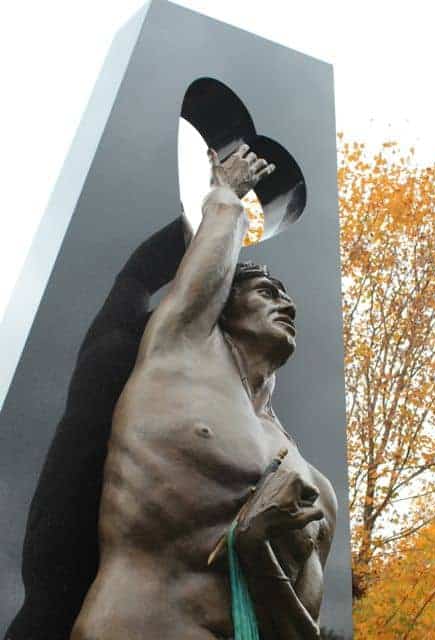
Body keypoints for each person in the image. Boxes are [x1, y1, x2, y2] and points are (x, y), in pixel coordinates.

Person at [70, 144, 337, 640]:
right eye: (267, 293)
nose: (287, 305)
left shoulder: (313, 484)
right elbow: (158, 287)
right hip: (141, 624)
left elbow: (302, 630)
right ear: (224, 309)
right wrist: (226, 198)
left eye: (288, 299)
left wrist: (257, 547)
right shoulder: (181, 357)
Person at [5, 215, 187, 640]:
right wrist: (220, 206)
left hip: (62, 550)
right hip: (76, 550)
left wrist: (215, 205)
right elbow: (141, 277)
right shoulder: (118, 348)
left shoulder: (113, 342)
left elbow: (139, 273)